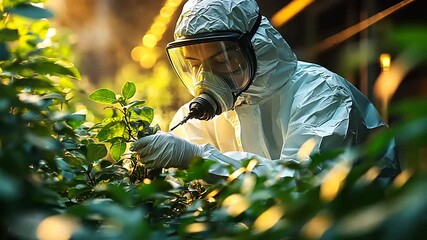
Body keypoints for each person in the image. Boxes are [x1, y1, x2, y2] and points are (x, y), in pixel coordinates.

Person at [131, 0, 400, 178]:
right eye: (194, 64)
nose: (207, 77)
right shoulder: (201, 118)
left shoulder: (321, 93)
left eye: (223, 61)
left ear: (256, 46)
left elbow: (302, 182)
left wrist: (198, 160)